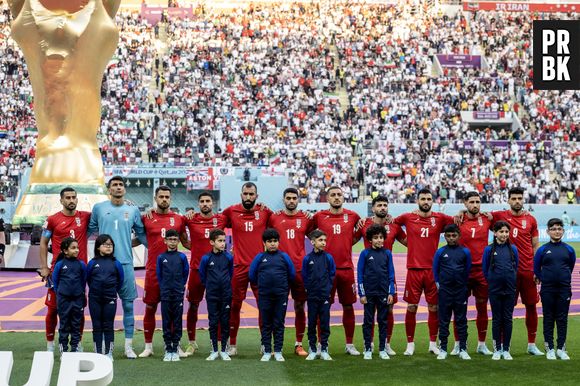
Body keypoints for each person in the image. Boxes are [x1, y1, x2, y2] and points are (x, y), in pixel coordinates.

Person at [88, 176, 148, 359]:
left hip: (126, 264)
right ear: (109, 189)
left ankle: (128, 347)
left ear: (125, 189)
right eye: (114, 185)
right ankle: (104, 347)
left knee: (128, 306)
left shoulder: (133, 209)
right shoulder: (99, 208)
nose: (118, 187)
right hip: (103, 266)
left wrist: (155, 249)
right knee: (104, 308)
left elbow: (142, 234)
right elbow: (87, 231)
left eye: (121, 185)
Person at [394, 188, 454, 356]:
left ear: (432, 201)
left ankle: (432, 343)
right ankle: (410, 344)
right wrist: (407, 242)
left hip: (433, 271)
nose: (426, 201)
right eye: (423, 199)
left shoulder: (440, 218)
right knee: (412, 307)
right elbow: (393, 224)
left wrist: (464, 210)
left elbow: (458, 221)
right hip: (413, 269)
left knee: (434, 307)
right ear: (417, 201)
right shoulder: (408, 217)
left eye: (429, 198)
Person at [221, 182, 273, 355]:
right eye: (246, 194)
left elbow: (280, 221)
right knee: (234, 306)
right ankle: (233, 345)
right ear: (241, 194)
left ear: (256, 196)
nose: (248, 197)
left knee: (263, 306)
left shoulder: (265, 212)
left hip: (260, 267)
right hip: (238, 267)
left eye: (252, 194)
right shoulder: (230, 211)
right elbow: (212, 224)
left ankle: (265, 343)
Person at [490, 187, 542, 355]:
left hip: (527, 270)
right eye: (514, 198)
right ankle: (505, 347)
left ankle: (531, 344)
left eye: (520, 198)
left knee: (531, 306)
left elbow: (535, 245)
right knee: (506, 309)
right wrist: (461, 211)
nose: (517, 201)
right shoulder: (499, 216)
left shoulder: (531, 219)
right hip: (507, 272)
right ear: (508, 200)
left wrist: (537, 268)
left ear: (523, 200)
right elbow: (479, 216)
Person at [138, 186, 187, 358]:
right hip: (153, 271)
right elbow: (138, 238)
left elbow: (186, 242)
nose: (164, 199)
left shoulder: (179, 219)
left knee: (174, 310)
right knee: (150, 307)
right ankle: (148, 346)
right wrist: (119, 247)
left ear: (171, 199)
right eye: (161, 196)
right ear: (155, 198)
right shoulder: (146, 218)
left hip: (173, 273)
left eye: (167, 196)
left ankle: (175, 345)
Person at [39, 187, 91, 353]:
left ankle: (78, 343)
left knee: (78, 310)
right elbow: (42, 243)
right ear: (61, 200)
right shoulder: (53, 220)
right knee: (53, 308)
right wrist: (45, 267)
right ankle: (50, 344)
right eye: (67, 197)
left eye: (74, 197)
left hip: (79, 273)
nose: (71, 200)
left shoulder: (85, 217)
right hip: (58, 271)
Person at [354, 194, 406, 355]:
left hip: (387, 275)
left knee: (388, 310)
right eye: (379, 205)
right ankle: (367, 344)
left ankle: (386, 344)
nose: (382, 208)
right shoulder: (364, 224)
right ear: (373, 208)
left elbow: (408, 242)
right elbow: (350, 240)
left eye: (385, 205)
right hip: (369, 276)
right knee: (369, 313)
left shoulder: (394, 224)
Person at [313, 186, 361, 355]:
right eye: (333, 195)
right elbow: (308, 231)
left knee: (348, 306)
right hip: (325, 270)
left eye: (339, 194)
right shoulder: (319, 217)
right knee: (323, 307)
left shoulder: (353, 216)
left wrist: (349, 242)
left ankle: (349, 344)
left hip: (346, 269)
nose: (336, 197)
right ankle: (321, 344)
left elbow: (362, 230)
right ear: (327, 198)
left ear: (343, 197)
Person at [268, 187, 314, 356]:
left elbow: (316, 235)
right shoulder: (274, 217)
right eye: (288, 198)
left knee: (300, 306)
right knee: (276, 307)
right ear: (284, 199)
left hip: (300, 269)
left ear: (298, 200)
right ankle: (273, 345)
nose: (291, 201)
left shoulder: (305, 218)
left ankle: (298, 344)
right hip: (278, 269)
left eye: (294, 198)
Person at [184, 192, 227, 356]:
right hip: (196, 270)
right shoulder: (190, 218)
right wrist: (191, 247)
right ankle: (192, 342)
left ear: (213, 203)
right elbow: (180, 232)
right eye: (201, 201)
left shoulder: (221, 219)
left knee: (218, 306)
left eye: (208, 201)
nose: (205, 204)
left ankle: (217, 342)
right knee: (193, 305)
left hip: (217, 271)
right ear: (198, 203)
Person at [455, 191, 493, 355]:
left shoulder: (487, 219)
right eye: (471, 202)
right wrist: (460, 213)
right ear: (465, 203)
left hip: (481, 271)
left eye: (478, 202)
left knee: (482, 308)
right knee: (459, 308)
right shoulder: (458, 219)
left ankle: (481, 344)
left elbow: (506, 218)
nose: (475, 205)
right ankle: (458, 344)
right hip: (462, 271)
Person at [249, 229, 295, 362]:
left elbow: (291, 274)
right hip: (265, 296)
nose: (272, 244)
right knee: (266, 323)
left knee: (279, 323)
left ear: (279, 242)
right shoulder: (259, 257)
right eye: (269, 241)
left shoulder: (284, 257)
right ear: (264, 243)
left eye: (275, 241)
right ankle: (267, 351)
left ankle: (278, 351)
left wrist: (284, 287)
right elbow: (252, 275)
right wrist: (263, 286)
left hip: (281, 295)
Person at [533, 218, 576, 360]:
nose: (556, 231)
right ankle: (549, 348)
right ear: (548, 231)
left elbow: (571, 266)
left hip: (564, 289)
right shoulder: (542, 250)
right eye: (553, 229)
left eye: (559, 229)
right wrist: (545, 279)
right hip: (547, 289)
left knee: (562, 319)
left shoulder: (569, 249)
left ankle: (561, 349)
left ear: (563, 231)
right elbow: (536, 269)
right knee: (549, 318)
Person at [433, 224, 472, 360]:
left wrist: (462, 284)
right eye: (448, 236)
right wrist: (439, 285)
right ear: (444, 236)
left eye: (454, 235)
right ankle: (443, 348)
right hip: (445, 291)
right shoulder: (440, 252)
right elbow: (435, 271)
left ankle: (462, 349)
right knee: (443, 320)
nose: (451, 238)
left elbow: (467, 270)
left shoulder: (465, 252)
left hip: (460, 291)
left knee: (461, 320)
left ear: (459, 236)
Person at [357, 224, 395, 360]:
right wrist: (362, 294)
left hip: (383, 293)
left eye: (381, 237)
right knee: (368, 321)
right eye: (375, 238)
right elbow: (360, 274)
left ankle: (382, 349)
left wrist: (391, 293)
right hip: (369, 294)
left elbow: (391, 274)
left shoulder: (387, 254)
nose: (379, 240)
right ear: (370, 240)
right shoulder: (365, 254)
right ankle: (367, 348)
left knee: (383, 321)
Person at [483, 221, 519, 360]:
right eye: (501, 232)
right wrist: (493, 280)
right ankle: (497, 349)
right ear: (495, 233)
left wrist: (509, 279)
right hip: (495, 289)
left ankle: (506, 349)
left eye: (506, 232)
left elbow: (515, 267)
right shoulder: (489, 249)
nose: (504, 234)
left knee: (508, 319)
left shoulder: (513, 249)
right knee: (497, 319)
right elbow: (485, 269)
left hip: (509, 289)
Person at [86, 234, 124, 360]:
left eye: (111, 245)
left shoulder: (116, 263)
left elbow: (120, 280)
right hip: (94, 299)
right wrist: (96, 291)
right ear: (97, 247)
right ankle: (98, 353)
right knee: (96, 325)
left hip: (110, 298)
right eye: (105, 244)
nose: (108, 247)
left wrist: (111, 291)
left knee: (108, 325)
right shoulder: (92, 263)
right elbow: (88, 280)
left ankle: (108, 353)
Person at [199, 229, 234, 361]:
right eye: (220, 241)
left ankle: (224, 350)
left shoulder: (229, 257)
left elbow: (230, 274)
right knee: (213, 322)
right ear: (212, 242)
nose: (223, 243)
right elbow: (202, 276)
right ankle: (214, 350)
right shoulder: (206, 258)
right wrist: (210, 286)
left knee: (225, 322)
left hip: (226, 294)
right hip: (212, 295)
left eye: (224, 241)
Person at [302, 229, 336, 361]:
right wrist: (309, 288)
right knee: (311, 322)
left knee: (324, 322)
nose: (323, 243)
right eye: (320, 240)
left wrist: (327, 288)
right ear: (312, 242)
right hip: (312, 296)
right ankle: (312, 348)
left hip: (324, 295)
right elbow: (304, 276)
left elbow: (332, 274)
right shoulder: (307, 259)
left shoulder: (328, 257)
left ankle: (324, 349)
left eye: (324, 240)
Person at [156, 229, 189, 362]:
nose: (172, 242)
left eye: (175, 240)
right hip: (165, 294)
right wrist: (164, 288)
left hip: (178, 293)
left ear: (178, 241)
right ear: (165, 241)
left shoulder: (182, 257)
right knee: (166, 320)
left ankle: (175, 348)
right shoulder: (161, 257)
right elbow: (159, 275)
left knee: (177, 320)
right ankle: (167, 348)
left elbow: (185, 273)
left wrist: (180, 286)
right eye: (170, 239)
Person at [51, 237, 87, 355]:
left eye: (77, 248)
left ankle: (75, 348)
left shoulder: (81, 264)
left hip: (77, 299)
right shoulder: (60, 265)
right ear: (65, 251)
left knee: (76, 325)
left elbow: (83, 281)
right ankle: (64, 350)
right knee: (64, 324)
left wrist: (79, 293)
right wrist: (61, 294)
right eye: (73, 248)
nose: (76, 250)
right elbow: (55, 282)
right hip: (63, 300)